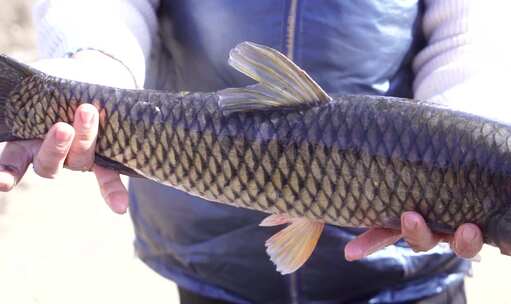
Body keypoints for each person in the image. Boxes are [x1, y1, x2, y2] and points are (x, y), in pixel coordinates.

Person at [0, 0, 485, 303]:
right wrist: (91, 70)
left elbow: (469, 31)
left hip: (405, 269)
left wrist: (456, 152)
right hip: (208, 247)